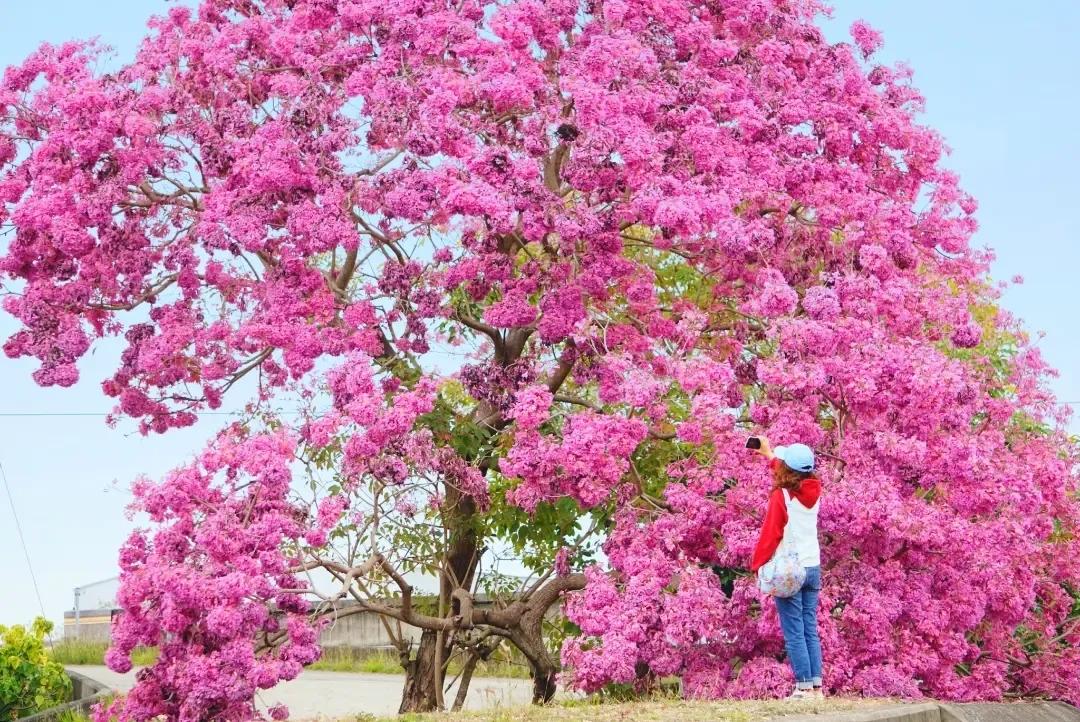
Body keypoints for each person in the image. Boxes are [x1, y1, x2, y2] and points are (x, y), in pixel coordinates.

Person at [749, 436, 824, 700]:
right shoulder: (814, 490)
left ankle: (803, 687)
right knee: (809, 627)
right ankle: (816, 687)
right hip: (813, 566)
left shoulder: (781, 497)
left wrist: (757, 564)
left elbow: (771, 535)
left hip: (791, 570)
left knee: (794, 631)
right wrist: (768, 455)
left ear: (787, 469)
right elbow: (790, 475)